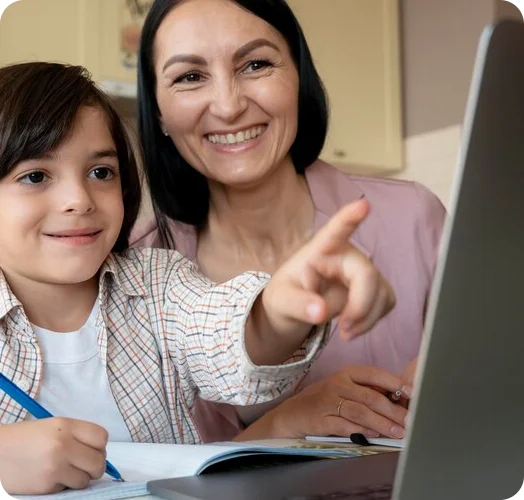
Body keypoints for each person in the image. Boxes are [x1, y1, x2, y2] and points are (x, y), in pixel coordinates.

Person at [0, 62, 394, 495]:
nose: (79, 199)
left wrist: (283, 305)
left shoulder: (157, 284)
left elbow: (226, 331)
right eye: (35, 176)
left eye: (101, 172)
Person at [131, 0, 447, 443]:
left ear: (299, 78)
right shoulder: (135, 274)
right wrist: (285, 423)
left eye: (256, 64)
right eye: (190, 77)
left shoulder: (414, 218)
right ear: (159, 112)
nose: (228, 105)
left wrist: (460, 385)